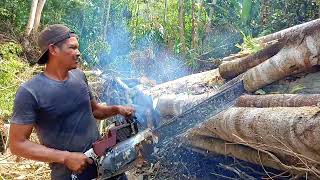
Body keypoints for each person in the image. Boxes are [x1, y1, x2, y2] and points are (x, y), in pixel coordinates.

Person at [9, 24, 135, 180]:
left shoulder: (79, 76)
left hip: (105, 163)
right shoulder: (30, 92)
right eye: (72, 48)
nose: (78, 53)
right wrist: (65, 157)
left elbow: (95, 111)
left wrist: (117, 109)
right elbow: (17, 144)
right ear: (53, 49)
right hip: (70, 175)